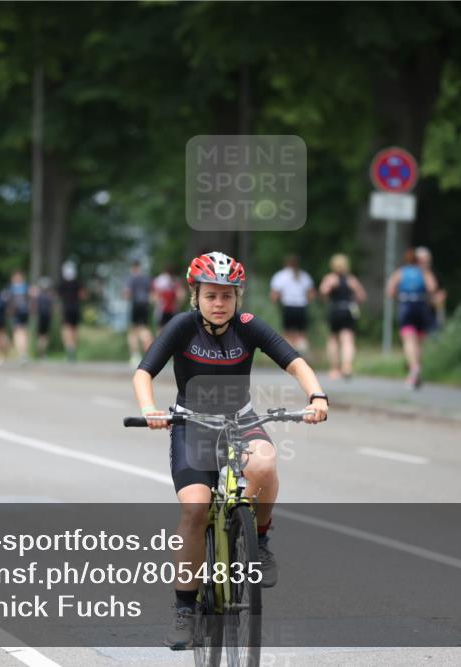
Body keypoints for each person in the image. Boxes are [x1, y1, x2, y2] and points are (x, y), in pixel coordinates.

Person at [130, 251, 329, 649]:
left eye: (227, 295)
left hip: (240, 420)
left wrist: (317, 395)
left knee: (266, 465)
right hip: (192, 426)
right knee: (195, 507)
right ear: (195, 296)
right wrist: (149, 409)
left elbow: (295, 363)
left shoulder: (250, 327)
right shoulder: (182, 327)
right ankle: (184, 608)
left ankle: (261, 537)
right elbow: (144, 372)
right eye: (211, 296)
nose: (219, 303)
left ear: (238, 297)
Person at [386, 247, 438, 390]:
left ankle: (413, 369)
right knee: (419, 342)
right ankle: (416, 371)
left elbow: (390, 291)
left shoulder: (401, 272)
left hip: (406, 307)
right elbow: (432, 288)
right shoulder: (425, 272)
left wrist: (400, 296)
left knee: (409, 340)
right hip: (421, 307)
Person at [318, 253, 367, 380]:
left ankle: (334, 369)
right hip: (348, 310)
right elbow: (362, 296)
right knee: (348, 340)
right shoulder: (351, 280)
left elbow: (323, 293)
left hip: (335, 310)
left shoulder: (330, 278)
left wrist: (329, 290)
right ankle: (347, 367)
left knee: (333, 339)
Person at [269, 254, 315, 353]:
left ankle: (288, 353)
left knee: (288, 333)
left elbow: (274, 295)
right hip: (301, 307)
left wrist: (276, 303)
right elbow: (311, 294)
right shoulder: (304, 275)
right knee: (301, 334)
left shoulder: (280, 275)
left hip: (288, 307)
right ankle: (302, 352)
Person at [124, 260, 154, 366]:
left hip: (136, 305)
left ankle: (135, 356)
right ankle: (151, 355)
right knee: (144, 329)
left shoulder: (131, 278)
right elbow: (152, 295)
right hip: (145, 306)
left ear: (133, 267)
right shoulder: (146, 278)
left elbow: (127, 293)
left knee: (133, 332)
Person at [58, 260, 87, 362]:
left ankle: (69, 349)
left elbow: (59, 297)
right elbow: (83, 296)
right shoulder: (77, 283)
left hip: (66, 308)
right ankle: (73, 348)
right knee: (74, 330)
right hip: (75, 308)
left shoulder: (62, 283)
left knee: (66, 329)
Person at [416, 246, 447, 334]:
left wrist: (436, 301)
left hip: (432, 312)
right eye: (422, 261)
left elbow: (441, 292)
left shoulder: (434, 273)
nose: (425, 263)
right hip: (415, 310)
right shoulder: (411, 274)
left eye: (427, 260)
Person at [6, 271, 32, 362]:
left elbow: (8, 302)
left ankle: (20, 353)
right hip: (25, 313)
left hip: (16, 313)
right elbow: (31, 301)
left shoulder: (11, 288)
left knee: (17, 333)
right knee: (24, 333)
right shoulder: (26, 287)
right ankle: (24, 353)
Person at [152, 264, 184, 332]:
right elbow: (181, 295)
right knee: (173, 329)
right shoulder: (176, 279)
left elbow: (154, 296)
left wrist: (157, 303)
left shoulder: (159, 280)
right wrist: (178, 304)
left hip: (162, 308)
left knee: (160, 329)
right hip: (173, 308)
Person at [33, 276, 54, 357]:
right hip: (46, 316)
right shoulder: (49, 296)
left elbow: (35, 307)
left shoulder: (39, 296)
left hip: (41, 317)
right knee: (44, 335)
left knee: (41, 335)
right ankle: (42, 352)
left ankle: (41, 352)